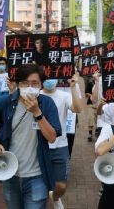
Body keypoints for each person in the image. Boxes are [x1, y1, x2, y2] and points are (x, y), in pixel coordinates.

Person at [0, 64, 61, 209]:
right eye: (25, 83)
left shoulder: (47, 104)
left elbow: (52, 137)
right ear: (18, 84)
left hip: (37, 175)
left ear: (41, 85)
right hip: (9, 172)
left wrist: (37, 113)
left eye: (34, 83)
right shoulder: (4, 102)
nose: (29, 87)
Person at [40, 74, 83, 209]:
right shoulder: (36, 94)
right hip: (40, 146)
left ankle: (56, 197)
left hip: (60, 145)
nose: (49, 79)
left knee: (61, 185)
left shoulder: (64, 96)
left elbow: (78, 109)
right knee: (39, 182)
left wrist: (73, 87)